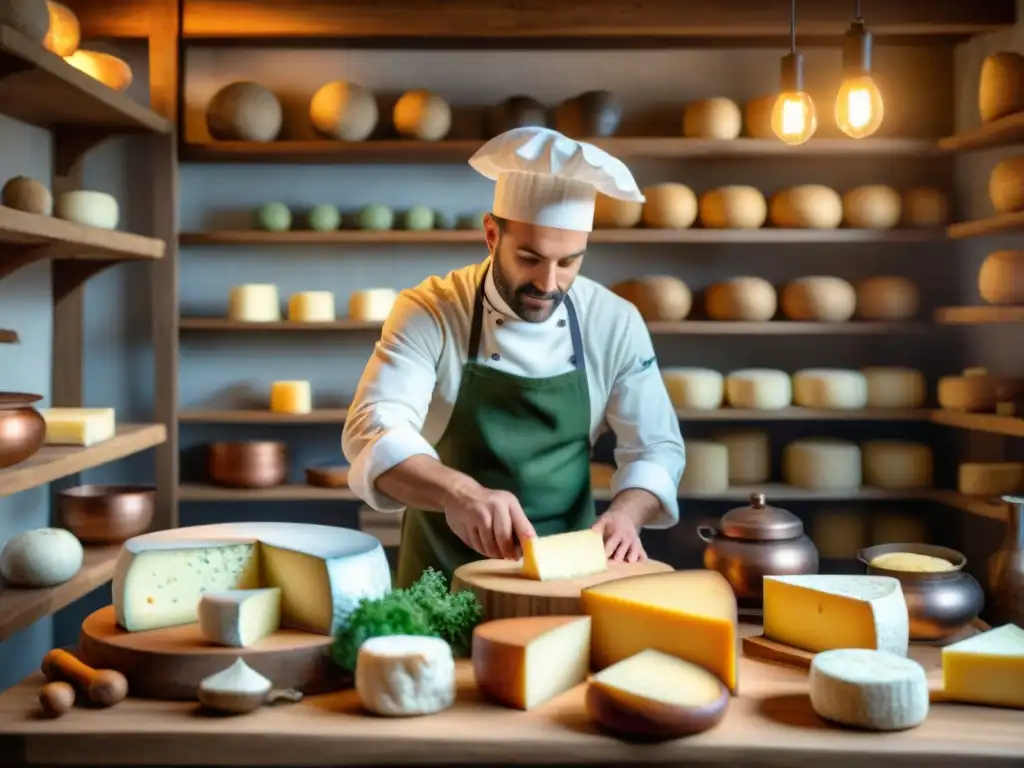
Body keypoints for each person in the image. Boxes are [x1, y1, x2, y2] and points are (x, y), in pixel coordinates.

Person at [342, 126, 686, 588]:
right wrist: (460, 492)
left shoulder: (614, 322)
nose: (548, 283)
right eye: (529, 257)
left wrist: (627, 513)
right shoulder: (431, 310)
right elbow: (373, 429)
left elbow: (656, 447)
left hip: (569, 580)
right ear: (490, 234)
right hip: (442, 577)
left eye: (568, 263)